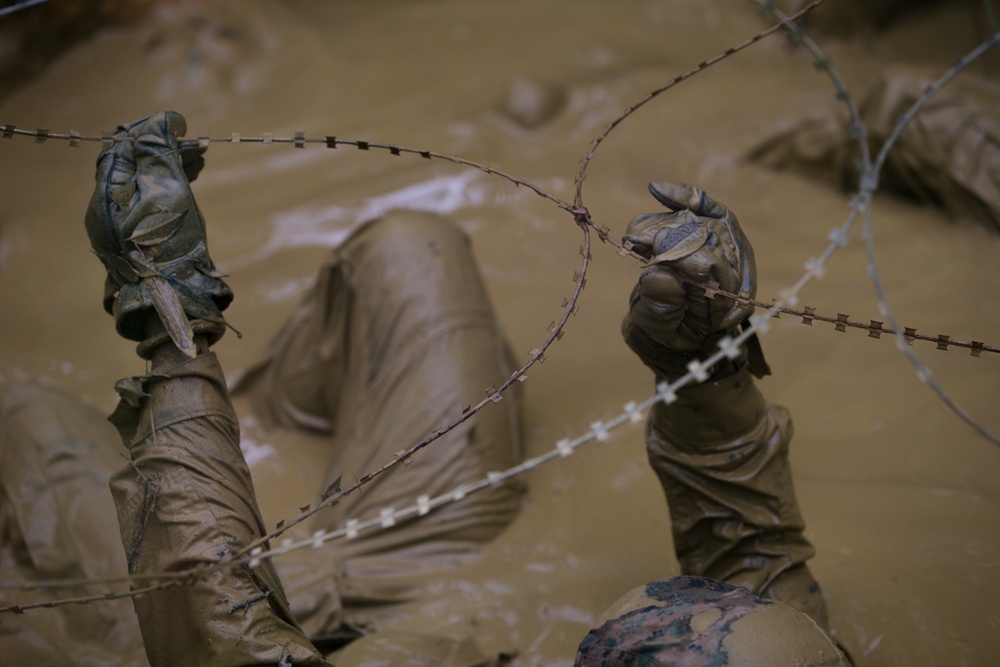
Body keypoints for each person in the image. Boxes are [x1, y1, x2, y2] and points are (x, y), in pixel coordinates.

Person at [0, 111, 845, 665]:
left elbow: (211, 628)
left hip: (215, 625)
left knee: (25, 416)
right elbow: (754, 558)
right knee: (408, 247)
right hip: (425, 575)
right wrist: (706, 365)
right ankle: (268, 433)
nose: (680, 612)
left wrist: (171, 323)